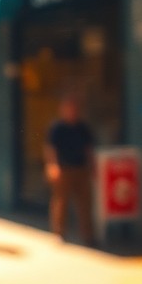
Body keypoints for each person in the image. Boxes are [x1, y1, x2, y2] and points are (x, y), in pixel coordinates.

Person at [45, 98, 97, 247]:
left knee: (85, 204)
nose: (72, 112)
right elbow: (50, 148)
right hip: (64, 169)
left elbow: (88, 148)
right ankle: (59, 233)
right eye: (69, 108)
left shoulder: (82, 127)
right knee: (61, 202)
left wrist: (92, 166)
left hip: (81, 168)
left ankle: (88, 235)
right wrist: (52, 166)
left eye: (74, 109)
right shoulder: (57, 128)